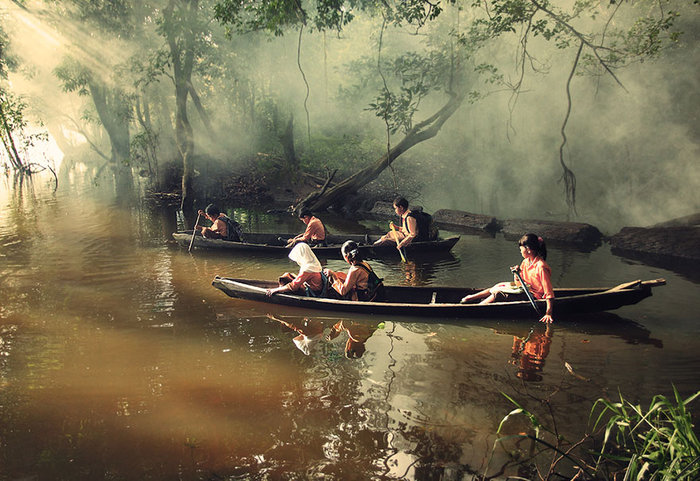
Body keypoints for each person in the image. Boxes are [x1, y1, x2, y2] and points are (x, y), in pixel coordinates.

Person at [460, 233, 555, 323]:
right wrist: (516, 274)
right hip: (524, 289)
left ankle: (477, 308)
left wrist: (548, 313)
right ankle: (470, 298)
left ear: (528, 249)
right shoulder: (526, 261)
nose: (520, 252)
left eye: (521, 249)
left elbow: (549, 292)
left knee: (498, 294)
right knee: (499, 285)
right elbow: (519, 284)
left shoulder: (541, 266)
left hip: (534, 296)